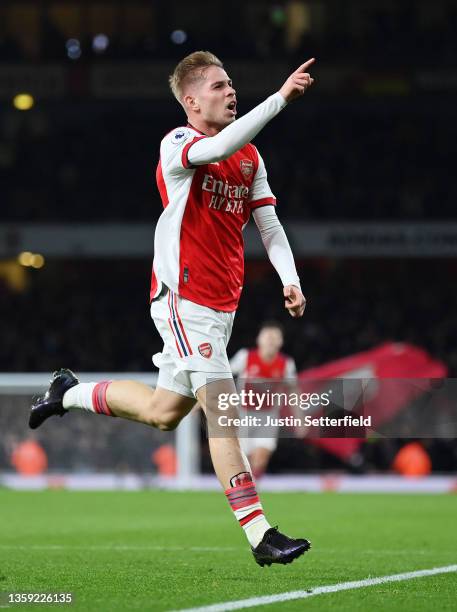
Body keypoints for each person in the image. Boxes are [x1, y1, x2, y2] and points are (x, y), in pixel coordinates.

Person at [29, 50, 315, 567]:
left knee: (164, 413)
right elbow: (223, 143)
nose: (231, 92)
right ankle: (260, 535)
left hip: (221, 307)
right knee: (222, 409)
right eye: (219, 86)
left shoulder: (250, 158)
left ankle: (68, 392)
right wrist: (279, 100)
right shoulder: (179, 143)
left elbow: (269, 227)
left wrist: (290, 280)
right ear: (191, 99)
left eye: (233, 85)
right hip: (184, 298)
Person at [230, 321, 297, 479]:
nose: (271, 340)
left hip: (268, 416)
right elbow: (223, 375)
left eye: (275, 337)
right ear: (259, 339)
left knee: (260, 459)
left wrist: (299, 418)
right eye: (267, 336)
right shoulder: (245, 357)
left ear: (281, 342)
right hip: (243, 414)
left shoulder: (286, 364)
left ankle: (252, 491)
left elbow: (293, 390)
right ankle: (243, 489)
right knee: (241, 460)